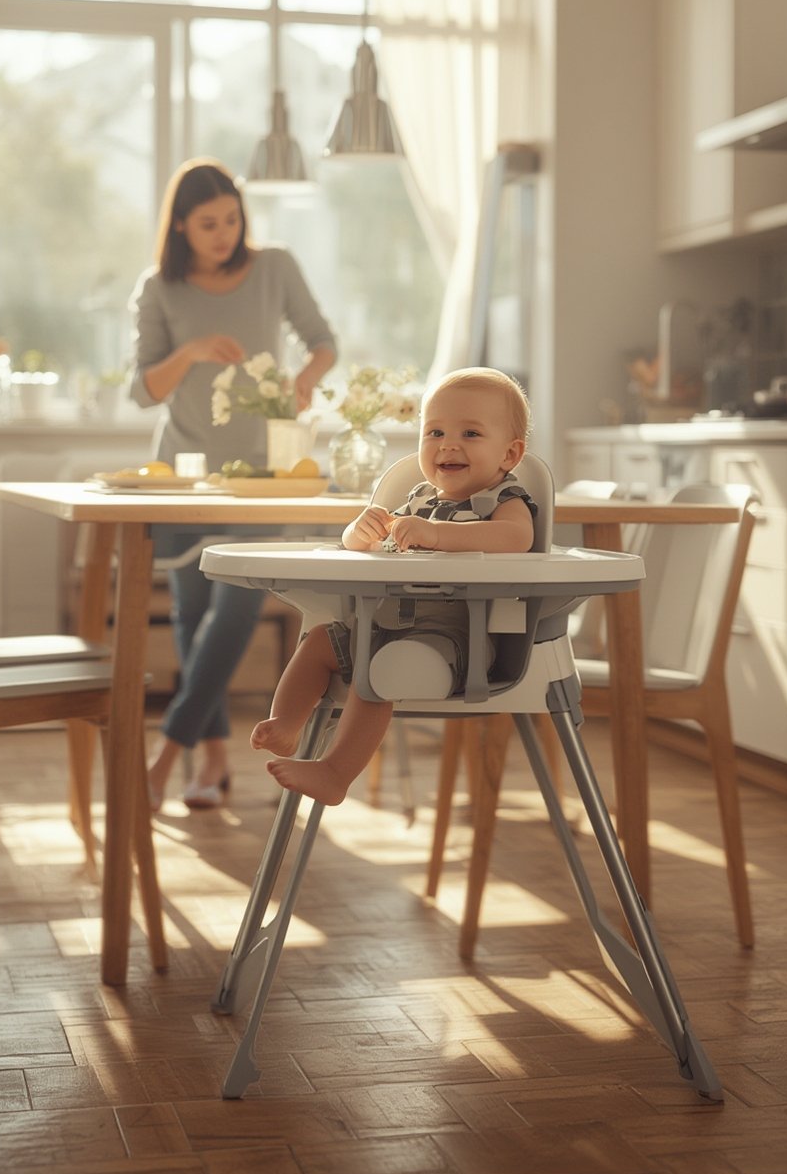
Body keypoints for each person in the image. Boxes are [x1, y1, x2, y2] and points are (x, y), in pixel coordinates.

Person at [129, 157, 336, 812]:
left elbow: (324, 341)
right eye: (208, 223)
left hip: (263, 477)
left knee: (236, 608)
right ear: (182, 226)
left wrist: (305, 380)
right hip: (186, 477)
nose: (224, 233)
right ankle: (213, 760)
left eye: (232, 219)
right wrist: (188, 352)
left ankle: (165, 753)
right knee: (192, 617)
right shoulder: (160, 290)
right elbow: (141, 390)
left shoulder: (274, 267)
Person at [250, 366, 535, 805]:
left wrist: (439, 537)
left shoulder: (504, 501)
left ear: (510, 455)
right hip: (384, 625)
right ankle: (286, 725)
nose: (448, 444)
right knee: (322, 641)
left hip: (455, 639)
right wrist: (358, 534)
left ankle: (335, 773)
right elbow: (365, 544)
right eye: (434, 431)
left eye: (471, 433)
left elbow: (516, 541)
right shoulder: (420, 498)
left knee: (382, 670)